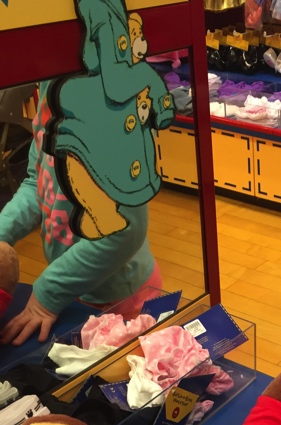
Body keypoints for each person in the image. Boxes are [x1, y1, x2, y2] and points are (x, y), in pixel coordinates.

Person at [0, 82, 162, 346]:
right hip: (75, 286)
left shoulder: (113, 110)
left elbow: (123, 229)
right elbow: (37, 182)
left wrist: (47, 293)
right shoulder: (50, 93)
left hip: (121, 299)